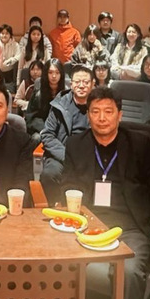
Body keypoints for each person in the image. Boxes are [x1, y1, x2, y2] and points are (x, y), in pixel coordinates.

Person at [60, 87, 150, 299]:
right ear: (88, 116)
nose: (102, 118)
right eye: (95, 112)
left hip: (130, 228)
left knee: (129, 271)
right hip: (87, 225)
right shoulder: (75, 144)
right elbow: (68, 185)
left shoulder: (140, 144)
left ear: (120, 115)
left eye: (108, 111)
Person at [39, 65, 94, 204]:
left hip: (89, 157)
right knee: (49, 174)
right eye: (77, 82)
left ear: (92, 84)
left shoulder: (98, 105)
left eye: (85, 82)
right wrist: (67, 156)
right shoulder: (60, 105)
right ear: (71, 84)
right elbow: (47, 135)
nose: (81, 86)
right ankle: (57, 207)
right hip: (62, 155)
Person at [25, 59, 66, 144]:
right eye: (50, 72)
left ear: (61, 74)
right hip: (42, 128)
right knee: (36, 138)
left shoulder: (67, 92)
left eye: (57, 73)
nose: (54, 76)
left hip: (61, 129)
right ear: (45, 74)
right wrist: (46, 130)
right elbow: (31, 116)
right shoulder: (38, 90)